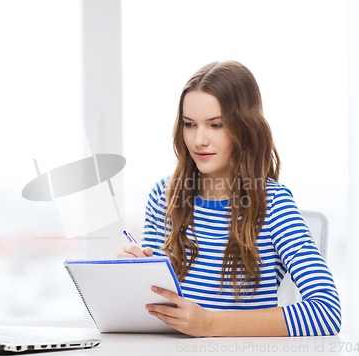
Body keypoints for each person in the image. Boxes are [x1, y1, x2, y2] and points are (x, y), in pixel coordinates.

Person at [118, 61, 341, 337]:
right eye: (189, 124)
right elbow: (157, 311)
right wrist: (132, 279)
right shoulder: (164, 197)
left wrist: (210, 324)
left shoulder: (273, 204)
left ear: (245, 128)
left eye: (216, 125)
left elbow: (326, 312)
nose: (199, 140)